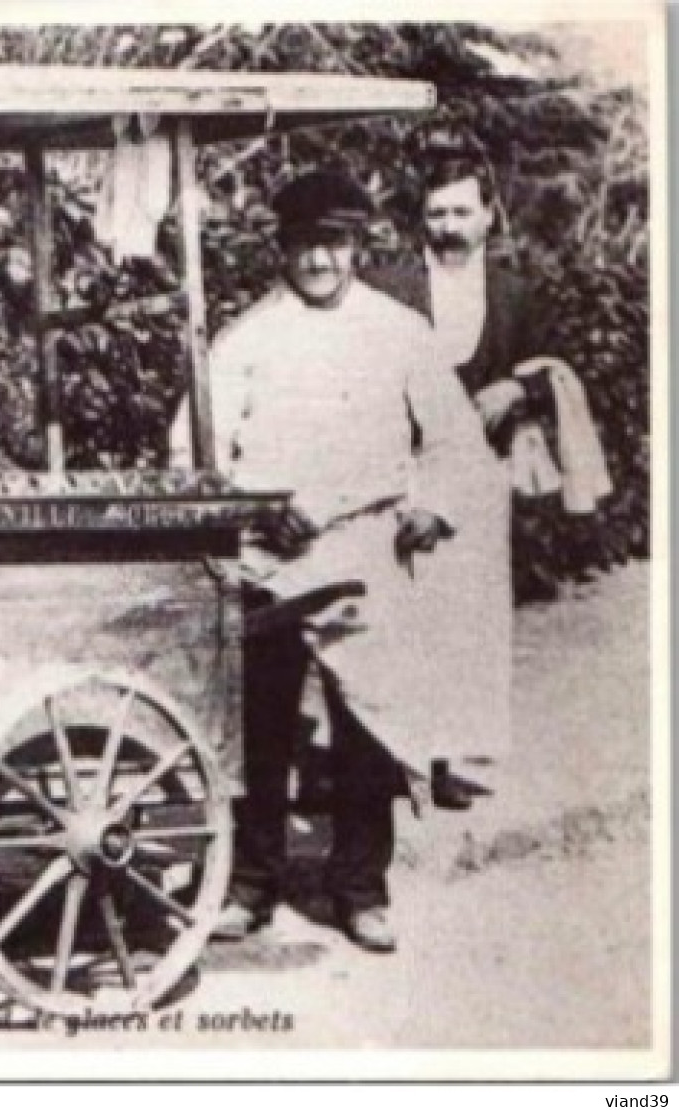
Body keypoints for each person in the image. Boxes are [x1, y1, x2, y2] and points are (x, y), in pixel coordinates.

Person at [176, 170, 495, 953]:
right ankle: (249, 884)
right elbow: (192, 444)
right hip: (268, 557)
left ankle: (360, 889)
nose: (317, 260)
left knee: (367, 728)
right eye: (301, 246)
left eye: (333, 243)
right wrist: (250, 505)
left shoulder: (398, 332)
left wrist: (429, 509)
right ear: (279, 250)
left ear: (356, 245)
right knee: (257, 728)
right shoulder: (247, 336)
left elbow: (454, 441)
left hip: (365, 548)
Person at [366, 142, 544, 808]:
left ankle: (440, 759)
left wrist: (515, 390)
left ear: (489, 215)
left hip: (480, 470)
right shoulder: (389, 286)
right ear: (420, 219)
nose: (448, 226)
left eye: (461, 211)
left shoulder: (514, 293)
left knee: (464, 619)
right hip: (404, 466)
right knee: (400, 610)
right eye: (436, 213)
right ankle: (387, 758)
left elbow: (548, 366)